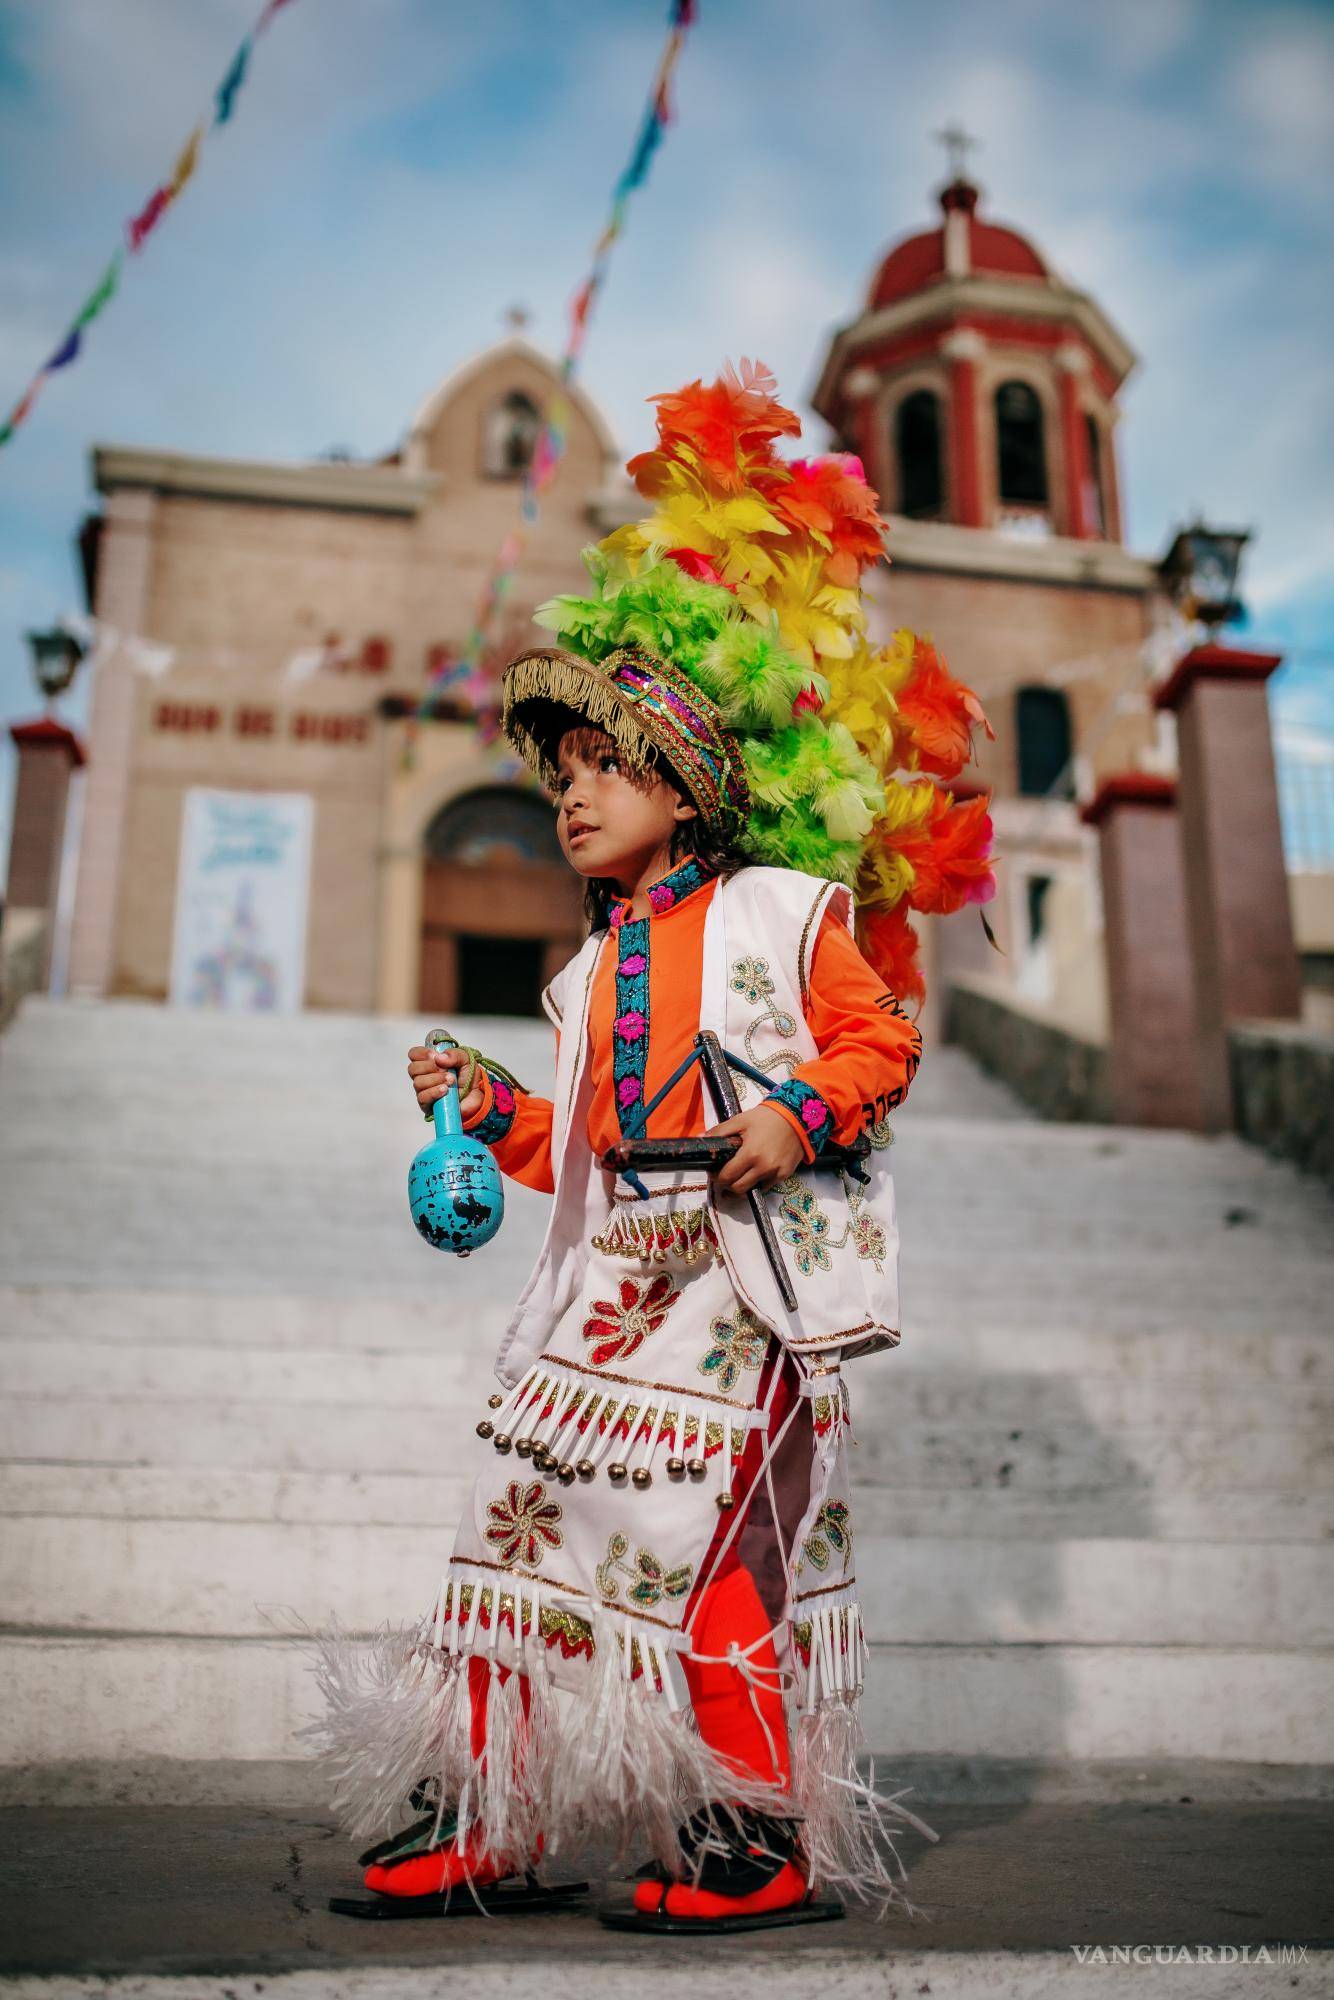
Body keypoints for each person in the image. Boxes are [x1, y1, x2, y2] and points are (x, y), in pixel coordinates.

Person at [311, 361, 995, 1932]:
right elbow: (588, 1144)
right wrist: (495, 1113)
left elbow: (880, 1036)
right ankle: (484, 1807)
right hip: (601, 1295)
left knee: (708, 1555)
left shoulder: (780, 912)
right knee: (511, 1520)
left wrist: (792, 1112)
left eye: (602, 767)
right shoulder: (582, 968)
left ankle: (746, 1830)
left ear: (683, 789)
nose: (569, 796)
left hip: (741, 1291)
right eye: (559, 776)